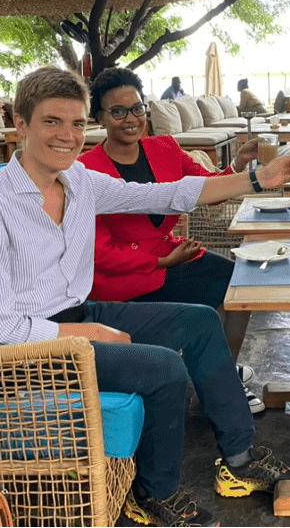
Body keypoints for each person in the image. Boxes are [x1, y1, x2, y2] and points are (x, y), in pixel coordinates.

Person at [0, 66, 290, 528]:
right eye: (51, 122)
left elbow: (172, 192)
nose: (67, 135)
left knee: (200, 322)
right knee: (162, 367)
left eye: (76, 124)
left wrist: (260, 178)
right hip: (21, 352)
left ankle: (240, 461)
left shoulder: (79, 182)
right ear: (20, 124)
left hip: (76, 313)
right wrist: (88, 332)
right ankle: (153, 494)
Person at [78, 67, 264, 413]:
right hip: (123, 276)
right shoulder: (86, 169)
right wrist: (162, 262)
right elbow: (97, 251)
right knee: (214, 295)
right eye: (118, 112)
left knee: (241, 284)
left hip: (170, 254)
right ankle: (216, 381)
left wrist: (239, 162)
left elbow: (208, 189)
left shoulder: (163, 147)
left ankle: (221, 375)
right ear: (99, 117)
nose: (131, 119)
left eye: (137, 108)